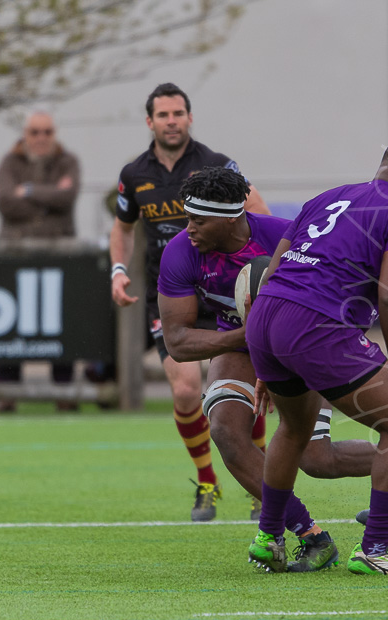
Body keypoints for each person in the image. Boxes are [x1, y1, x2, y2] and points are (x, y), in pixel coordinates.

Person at [245, 139, 388, 576]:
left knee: (293, 428)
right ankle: (375, 550)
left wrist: (263, 357)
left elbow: (270, 273)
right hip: (316, 323)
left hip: (266, 316)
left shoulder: (325, 197)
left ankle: (269, 538)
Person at [159, 166, 388, 570]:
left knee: (316, 460)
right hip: (237, 340)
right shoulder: (181, 252)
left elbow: (348, 288)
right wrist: (250, 336)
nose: (188, 228)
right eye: (188, 217)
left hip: (299, 338)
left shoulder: (286, 235)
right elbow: (178, 342)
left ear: (232, 218)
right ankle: (311, 536)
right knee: (226, 430)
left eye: (199, 220)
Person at [110, 83, 271, 522]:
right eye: (163, 114)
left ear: (189, 117)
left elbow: (256, 213)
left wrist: (261, 276)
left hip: (222, 294)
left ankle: (258, 480)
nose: (172, 120)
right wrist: (118, 270)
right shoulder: (133, 174)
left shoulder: (216, 166)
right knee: (184, 392)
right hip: (172, 295)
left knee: (241, 391)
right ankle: (207, 480)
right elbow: (122, 228)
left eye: (178, 113)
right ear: (150, 122)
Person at [0, 111, 81, 413]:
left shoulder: (68, 162)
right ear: (25, 134)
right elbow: (5, 202)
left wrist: (29, 192)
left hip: (60, 260)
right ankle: (7, 393)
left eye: (47, 132)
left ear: (54, 133)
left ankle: (65, 393)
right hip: (15, 259)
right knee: (10, 324)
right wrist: (48, 204)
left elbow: (67, 198)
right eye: (35, 132)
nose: (41, 138)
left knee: (62, 325)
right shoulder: (9, 163)